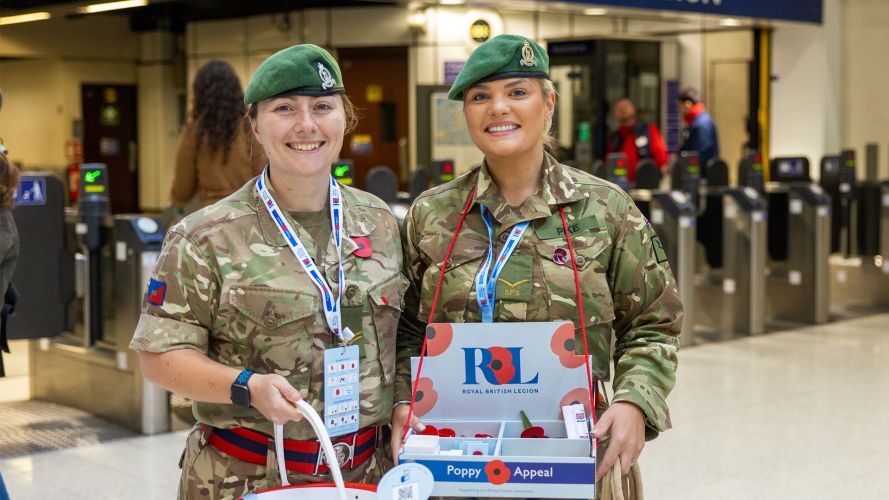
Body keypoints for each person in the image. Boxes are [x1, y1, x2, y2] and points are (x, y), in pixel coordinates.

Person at [392, 34, 682, 487]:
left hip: (578, 454)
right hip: (454, 458)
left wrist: (633, 401)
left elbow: (653, 322)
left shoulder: (605, 209)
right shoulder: (433, 215)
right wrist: (403, 402)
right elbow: (406, 327)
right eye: (480, 97)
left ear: (548, 104)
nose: (498, 108)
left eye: (518, 93)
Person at [131, 44, 406, 499]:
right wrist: (246, 386)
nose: (306, 125)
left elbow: (407, 333)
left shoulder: (379, 222)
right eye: (284, 109)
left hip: (366, 474)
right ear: (255, 127)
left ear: (345, 119)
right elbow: (158, 357)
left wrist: (402, 401)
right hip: (244, 478)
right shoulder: (205, 236)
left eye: (322, 107)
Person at [171, 60, 265, 209]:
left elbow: (182, 192)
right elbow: (265, 172)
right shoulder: (251, 127)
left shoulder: (194, 133)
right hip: (250, 213)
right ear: (236, 91)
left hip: (211, 218)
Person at [606, 97, 668, 183]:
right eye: (619, 108)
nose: (623, 109)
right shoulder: (614, 138)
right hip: (620, 187)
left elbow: (661, 157)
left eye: (626, 106)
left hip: (645, 185)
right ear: (615, 113)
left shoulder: (648, 130)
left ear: (634, 109)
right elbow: (609, 164)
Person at [678, 87, 720, 167]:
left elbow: (703, 152)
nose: (680, 110)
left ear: (688, 104)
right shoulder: (698, 121)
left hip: (702, 175)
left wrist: (690, 169)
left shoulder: (701, 123)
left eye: (680, 106)